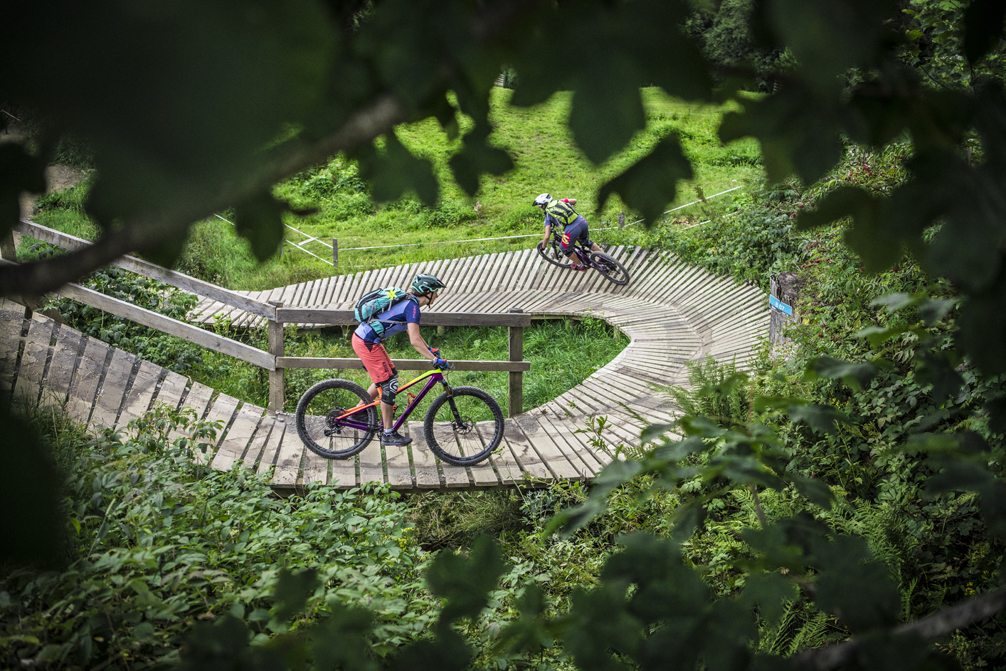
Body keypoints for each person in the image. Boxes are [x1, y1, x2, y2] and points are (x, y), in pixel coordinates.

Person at [351, 273, 448, 446]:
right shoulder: (412, 307)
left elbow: (415, 335)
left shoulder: (410, 303)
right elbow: (414, 341)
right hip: (366, 342)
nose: (437, 296)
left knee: (390, 378)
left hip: (368, 340)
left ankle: (359, 411)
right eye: (436, 292)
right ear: (428, 292)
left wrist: (430, 350)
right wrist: (434, 359)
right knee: (389, 385)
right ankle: (388, 433)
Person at [533, 193, 602, 271]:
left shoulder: (548, 215)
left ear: (543, 206)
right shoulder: (560, 201)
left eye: (539, 206)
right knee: (586, 242)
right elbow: (574, 201)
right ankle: (603, 257)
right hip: (582, 221)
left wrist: (543, 247)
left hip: (572, 229)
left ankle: (580, 266)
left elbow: (547, 236)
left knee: (565, 249)